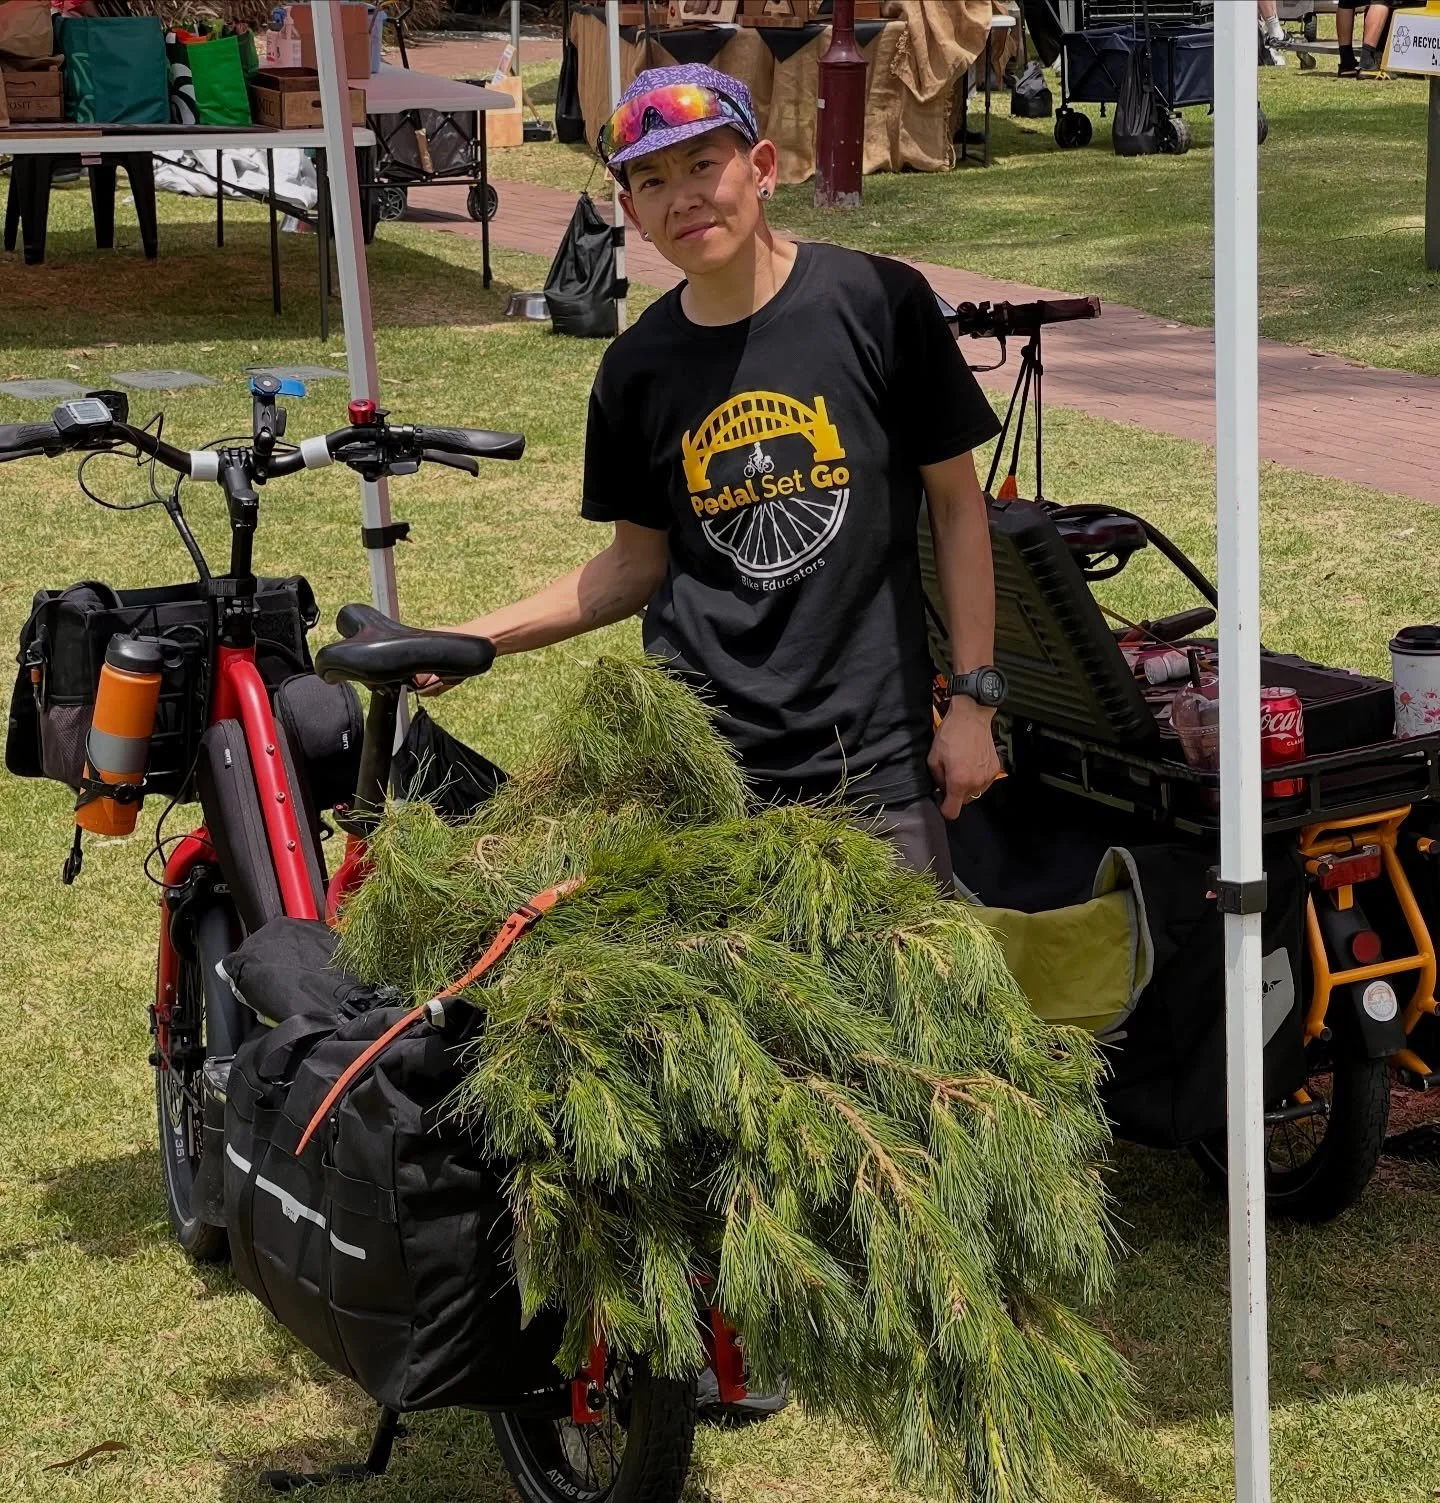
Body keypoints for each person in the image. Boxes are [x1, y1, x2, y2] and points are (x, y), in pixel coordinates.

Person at [422, 64, 1004, 889]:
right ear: (632, 213)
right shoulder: (635, 371)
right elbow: (635, 565)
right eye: (653, 180)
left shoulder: (878, 305)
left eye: (704, 164)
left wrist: (975, 702)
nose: (684, 196)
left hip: (875, 766)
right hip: (701, 775)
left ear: (761, 168)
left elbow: (956, 506)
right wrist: (478, 638)